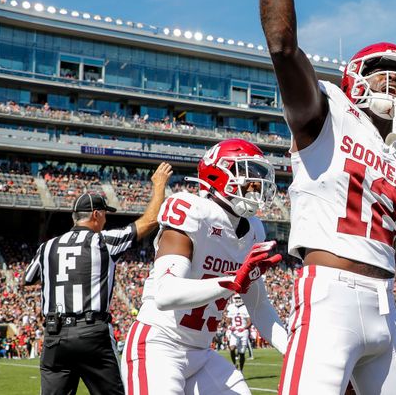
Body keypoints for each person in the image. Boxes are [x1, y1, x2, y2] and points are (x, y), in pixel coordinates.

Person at [237, 0, 396, 395]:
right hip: (329, 296)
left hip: (386, 302)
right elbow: (281, 45)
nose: (392, 86)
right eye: (383, 76)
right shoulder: (329, 114)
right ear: (356, 81)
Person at [121, 139, 286, 395]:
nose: (256, 183)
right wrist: (230, 281)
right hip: (158, 345)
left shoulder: (254, 229)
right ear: (217, 173)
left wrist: (298, 354)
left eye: (259, 175)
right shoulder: (191, 210)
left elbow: (259, 307)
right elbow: (166, 294)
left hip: (201, 353)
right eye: (248, 173)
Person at [23, 163, 171, 395]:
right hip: (92, 332)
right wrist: (159, 185)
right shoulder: (104, 240)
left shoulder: (47, 247)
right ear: (96, 214)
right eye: (104, 215)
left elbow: (28, 278)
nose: (105, 221)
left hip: (55, 336)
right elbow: (151, 221)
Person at [226, 294, 252, 372]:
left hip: (243, 332)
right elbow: (228, 320)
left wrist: (244, 328)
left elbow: (249, 322)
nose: (237, 300)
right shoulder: (231, 307)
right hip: (234, 331)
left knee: (242, 353)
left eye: (239, 298)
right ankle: (234, 364)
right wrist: (230, 327)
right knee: (232, 348)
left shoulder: (245, 308)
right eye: (236, 298)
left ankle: (241, 369)